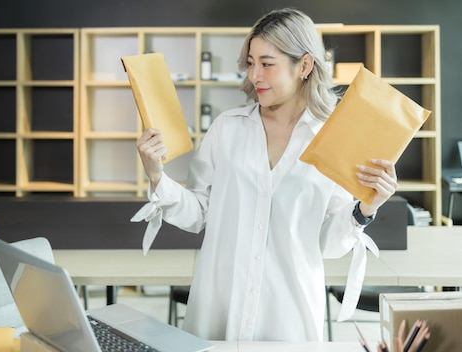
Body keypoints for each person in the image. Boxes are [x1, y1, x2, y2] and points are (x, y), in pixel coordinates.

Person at [133, 7, 397, 342]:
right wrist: (157, 175)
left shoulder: (332, 141)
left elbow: (327, 245)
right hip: (220, 308)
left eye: (267, 64)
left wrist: (366, 208)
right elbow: (199, 213)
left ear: (304, 65)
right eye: (251, 62)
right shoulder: (227, 129)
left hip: (289, 316)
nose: (254, 75)